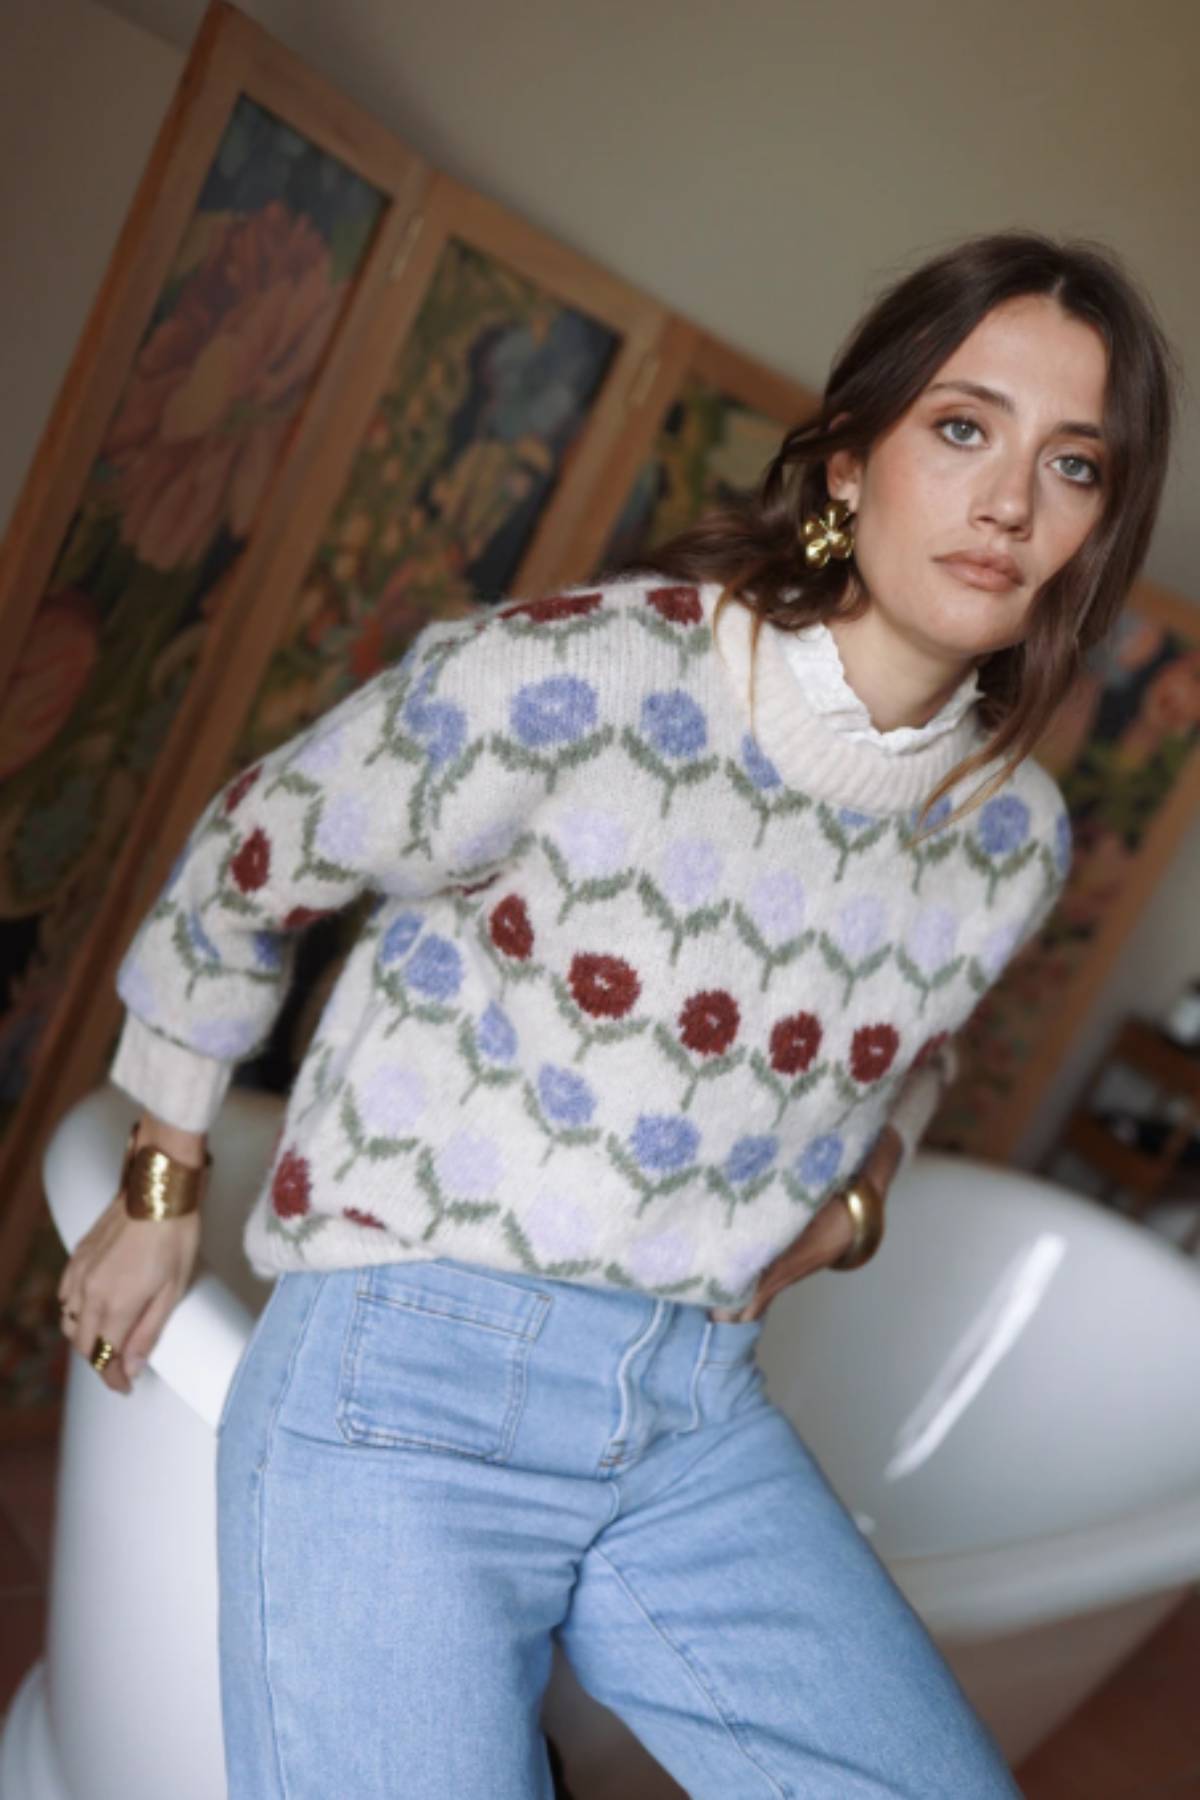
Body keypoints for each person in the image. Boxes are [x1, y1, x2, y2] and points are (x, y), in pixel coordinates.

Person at [57, 229, 1177, 1799]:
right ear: (849, 462)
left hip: (690, 1414)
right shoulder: (586, 673)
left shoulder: (1013, 840)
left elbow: (916, 1053)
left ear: (1099, 527)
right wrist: (162, 1176)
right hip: (403, 1366)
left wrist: (850, 1206)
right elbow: (258, 849)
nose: (1009, 501)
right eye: (962, 427)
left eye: (1074, 464)